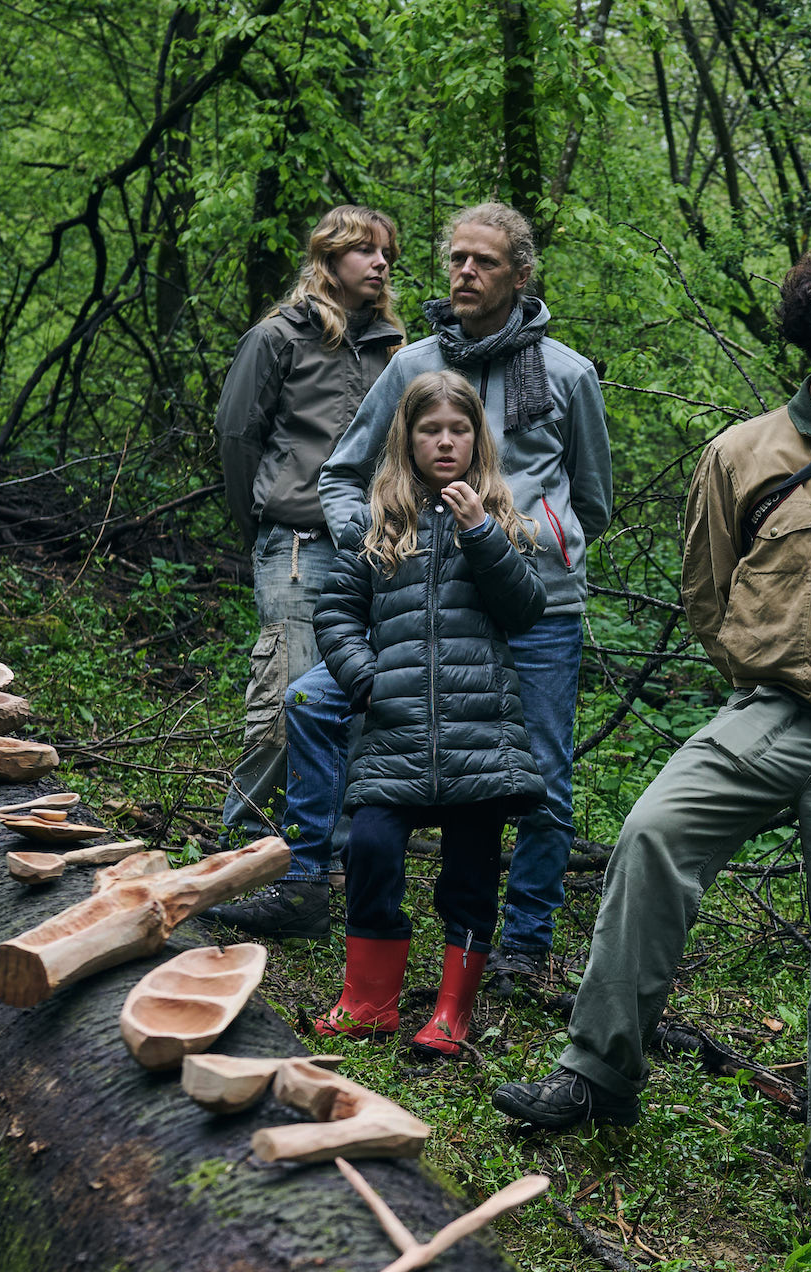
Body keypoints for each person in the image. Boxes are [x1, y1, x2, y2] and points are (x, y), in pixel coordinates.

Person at [489, 241, 811, 1240]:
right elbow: (707, 594)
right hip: (765, 714)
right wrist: (758, 666)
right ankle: (598, 1072)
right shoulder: (739, 455)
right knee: (651, 835)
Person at [207, 203, 610, 974]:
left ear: (521, 276)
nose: (464, 271)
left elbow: (591, 500)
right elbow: (342, 473)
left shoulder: (566, 374)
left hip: (535, 607)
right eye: (456, 257)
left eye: (484, 261)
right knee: (312, 701)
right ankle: (305, 878)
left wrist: (536, 543)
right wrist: (380, 545)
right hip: (418, 607)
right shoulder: (411, 366)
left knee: (545, 777)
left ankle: (524, 944)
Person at [305, 369, 546, 1053]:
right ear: (407, 439)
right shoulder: (376, 523)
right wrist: (367, 679)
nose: (445, 442)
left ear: (477, 440)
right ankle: (369, 1001)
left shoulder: (502, 522)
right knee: (370, 848)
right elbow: (335, 612)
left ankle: (451, 1012)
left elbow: (526, 609)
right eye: (430, 430)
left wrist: (481, 533)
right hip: (395, 730)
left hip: (481, 736)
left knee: (470, 872)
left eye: (458, 430)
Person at [208, 206, 406, 884]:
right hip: (296, 544)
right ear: (328, 257)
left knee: (354, 701)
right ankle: (240, 847)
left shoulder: (396, 351)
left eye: (387, 254)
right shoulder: (278, 337)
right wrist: (264, 521)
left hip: (374, 552)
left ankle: (325, 857)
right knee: (285, 697)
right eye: (365, 251)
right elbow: (236, 436)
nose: (381, 264)